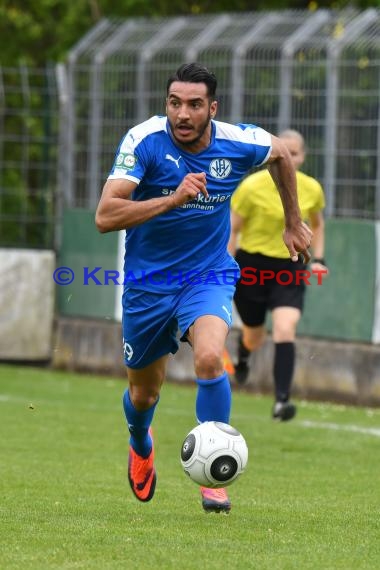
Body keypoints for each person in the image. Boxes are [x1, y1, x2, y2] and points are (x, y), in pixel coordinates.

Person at [95, 64, 312, 513]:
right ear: (166, 105)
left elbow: (280, 156)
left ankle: (216, 471)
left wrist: (293, 220)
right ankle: (140, 443)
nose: (183, 113)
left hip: (207, 274)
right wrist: (172, 198)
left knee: (212, 356)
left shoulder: (237, 142)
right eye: (175, 103)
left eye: (194, 104)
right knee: (144, 395)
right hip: (147, 285)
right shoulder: (144, 142)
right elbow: (105, 215)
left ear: (212, 108)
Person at [228, 129, 328, 421]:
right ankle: (244, 354)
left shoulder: (312, 188)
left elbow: (318, 225)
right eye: (285, 151)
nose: (289, 158)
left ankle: (281, 402)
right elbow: (233, 230)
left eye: (295, 153)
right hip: (251, 266)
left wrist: (319, 259)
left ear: (302, 157)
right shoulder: (251, 187)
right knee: (255, 336)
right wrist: (226, 265)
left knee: (286, 327)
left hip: (290, 264)